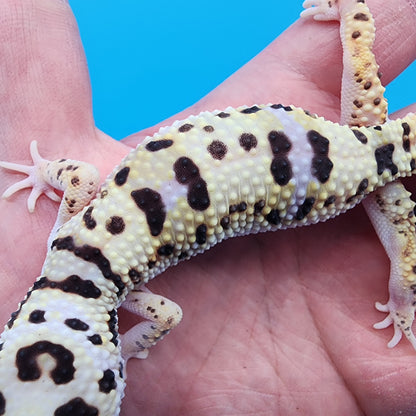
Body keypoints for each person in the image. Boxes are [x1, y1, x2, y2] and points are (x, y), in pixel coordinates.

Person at [1, 0, 416, 414]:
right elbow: (80, 178)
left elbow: (166, 317)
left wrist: (127, 349)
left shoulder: (112, 284)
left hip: (352, 173)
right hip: (332, 150)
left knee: (404, 272)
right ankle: (355, 12)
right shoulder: (68, 239)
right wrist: (44, 173)